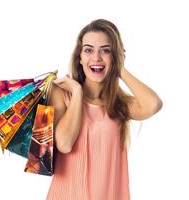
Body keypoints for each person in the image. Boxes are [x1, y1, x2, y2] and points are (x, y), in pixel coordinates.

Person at [46, 19, 163, 200]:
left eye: (106, 50)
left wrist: (120, 67)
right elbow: (64, 143)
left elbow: (153, 104)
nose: (96, 57)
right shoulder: (61, 93)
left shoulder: (119, 105)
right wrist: (77, 93)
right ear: (80, 57)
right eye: (88, 50)